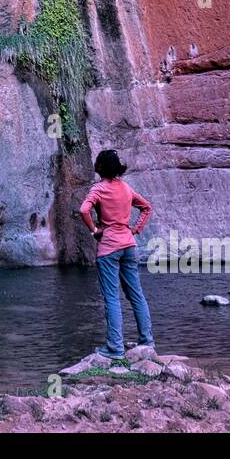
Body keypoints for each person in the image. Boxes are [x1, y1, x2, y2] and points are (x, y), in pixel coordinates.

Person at [78, 149, 154, 358]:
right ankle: (147, 342)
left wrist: (94, 230)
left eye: (97, 162)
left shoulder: (99, 189)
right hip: (129, 246)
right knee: (136, 295)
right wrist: (135, 229)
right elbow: (147, 207)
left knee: (112, 297)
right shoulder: (126, 188)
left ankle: (115, 347)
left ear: (101, 167)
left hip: (109, 248)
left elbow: (84, 210)